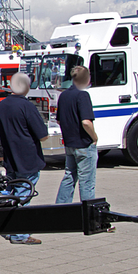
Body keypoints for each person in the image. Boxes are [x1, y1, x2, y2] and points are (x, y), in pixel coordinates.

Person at [0, 72, 49, 245]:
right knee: (23, 195)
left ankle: (11, 229)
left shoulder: (1, 106)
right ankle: (20, 234)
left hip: (10, 158)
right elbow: (42, 135)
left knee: (13, 194)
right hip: (27, 157)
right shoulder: (27, 106)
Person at [55, 66, 102, 202]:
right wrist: (94, 137)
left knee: (69, 176)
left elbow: (59, 119)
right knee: (87, 181)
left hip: (70, 143)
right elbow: (86, 122)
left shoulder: (64, 95)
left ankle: (61, 207)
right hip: (84, 144)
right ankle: (88, 212)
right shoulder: (82, 95)